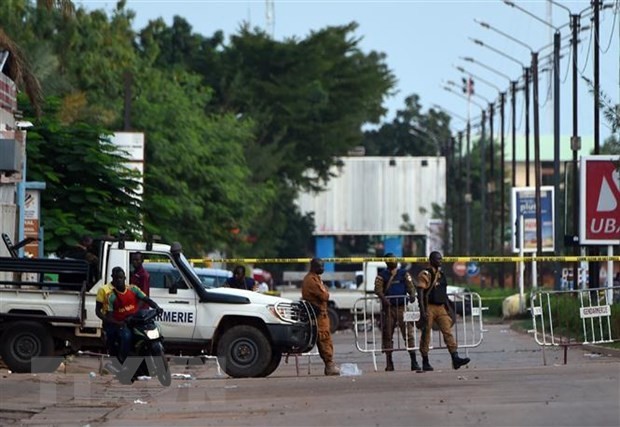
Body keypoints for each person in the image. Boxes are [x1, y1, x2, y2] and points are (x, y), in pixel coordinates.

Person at [416, 251, 470, 371]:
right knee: (426, 334)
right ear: (431, 260)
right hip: (428, 306)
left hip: (440, 307)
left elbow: (443, 293)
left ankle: (455, 358)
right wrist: (422, 311)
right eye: (437, 259)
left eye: (441, 259)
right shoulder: (425, 274)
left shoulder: (441, 274)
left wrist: (449, 308)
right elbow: (420, 293)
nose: (440, 261)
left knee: (447, 332)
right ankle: (425, 361)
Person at [103, 267, 162, 364]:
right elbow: (109, 316)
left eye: (121, 278)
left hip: (137, 320)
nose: (119, 280)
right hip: (124, 323)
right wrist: (119, 323)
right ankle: (123, 359)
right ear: (112, 279)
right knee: (126, 336)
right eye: (116, 278)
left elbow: (146, 299)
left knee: (154, 330)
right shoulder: (110, 296)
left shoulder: (133, 289)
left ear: (125, 278)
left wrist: (157, 307)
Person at [374, 253, 420, 372]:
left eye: (394, 260)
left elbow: (411, 286)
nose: (392, 262)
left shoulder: (403, 273)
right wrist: (385, 300)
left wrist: (412, 295)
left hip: (402, 308)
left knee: (408, 335)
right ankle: (389, 362)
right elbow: (377, 290)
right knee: (387, 335)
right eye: (390, 260)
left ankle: (414, 361)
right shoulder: (382, 275)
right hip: (388, 310)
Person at [301, 258, 340, 376]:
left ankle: (330, 364)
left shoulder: (316, 278)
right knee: (324, 339)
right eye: (320, 266)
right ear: (313, 267)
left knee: (326, 339)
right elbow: (325, 296)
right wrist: (326, 291)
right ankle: (329, 365)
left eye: (323, 266)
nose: (322, 269)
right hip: (318, 315)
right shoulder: (311, 280)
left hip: (321, 314)